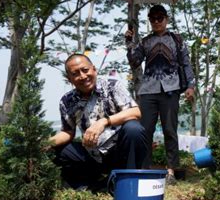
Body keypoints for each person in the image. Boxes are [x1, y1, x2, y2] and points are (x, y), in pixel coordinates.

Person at [49, 54, 148, 190]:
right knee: (60, 150)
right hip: (92, 155)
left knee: (133, 129)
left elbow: (135, 112)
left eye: (85, 70)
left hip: (120, 153)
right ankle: (90, 186)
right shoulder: (67, 100)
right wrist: (45, 143)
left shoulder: (113, 86)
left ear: (94, 69)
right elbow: (67, 132)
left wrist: (104, 122)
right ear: (69, 79)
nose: (83, 76)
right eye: (75, 73)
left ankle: (127, 182)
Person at [125, 5, 195, 184]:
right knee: (144, 130)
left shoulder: (177, 40)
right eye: (153, 18)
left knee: (170, 130)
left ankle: (171, 170)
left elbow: (186, 63)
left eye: (160, 18)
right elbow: (134, 62)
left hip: (171, 89)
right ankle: (145, 169)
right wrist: (129, 43)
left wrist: (190, 86)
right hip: (148, 90)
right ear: (149, 20)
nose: (156, 21)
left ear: (167, 19)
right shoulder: (145, 41)